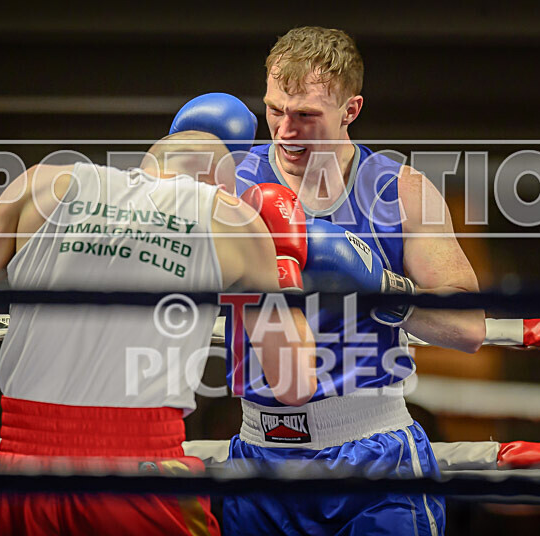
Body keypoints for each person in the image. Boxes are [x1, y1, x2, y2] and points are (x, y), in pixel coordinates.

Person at [0, 131, 316, 535]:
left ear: (146, 166)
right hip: (138, 470)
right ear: (222, 188)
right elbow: (293, 383)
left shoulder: (44, 184)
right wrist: (282, 263)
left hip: (24, 470)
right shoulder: (231, 220)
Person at [171, 27, 485, 535]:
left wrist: (379, 286)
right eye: (274, 110)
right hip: (259, 457)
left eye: (306, 115)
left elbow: (469, 328)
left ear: (350, 110)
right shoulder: (229, 185)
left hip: (373, 459)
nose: (285, 130)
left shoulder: (399, 190)